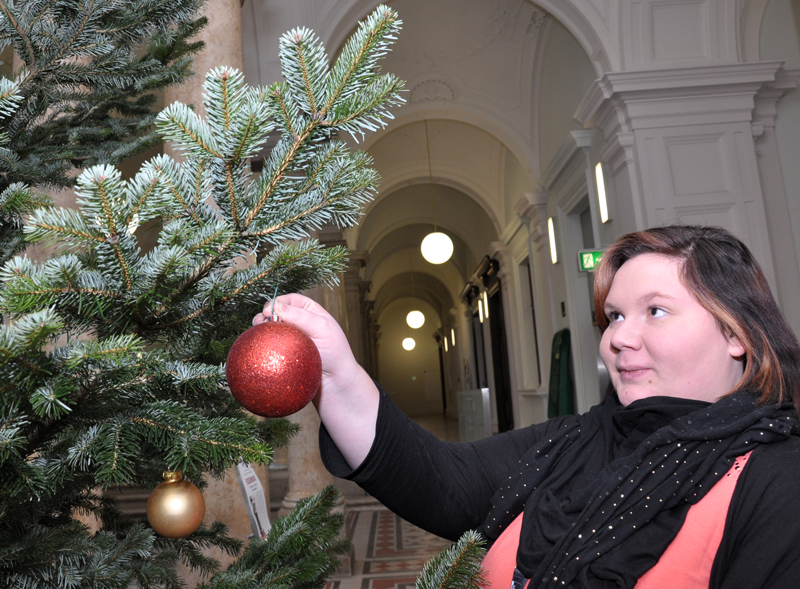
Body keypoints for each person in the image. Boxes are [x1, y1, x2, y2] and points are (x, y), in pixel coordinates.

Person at [252, 225, 800, 588]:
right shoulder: (576, 440)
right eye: (614, 317)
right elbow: (443, 481)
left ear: (737, 333)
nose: (619, 339)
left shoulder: (777, 479)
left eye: (655, 311)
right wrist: (338, 372)